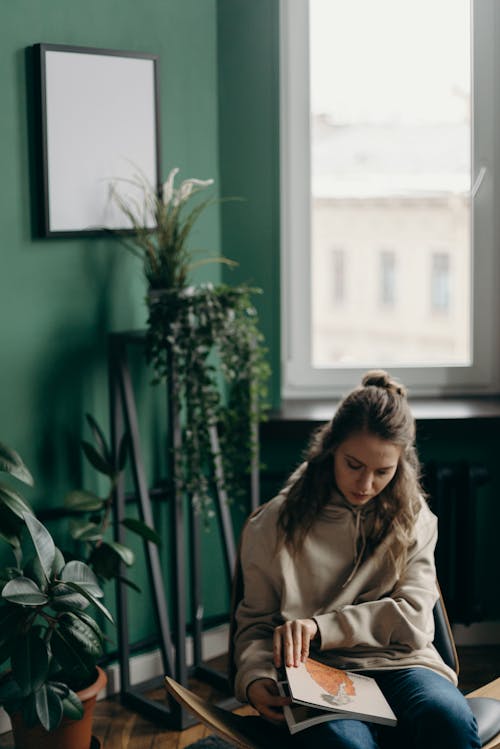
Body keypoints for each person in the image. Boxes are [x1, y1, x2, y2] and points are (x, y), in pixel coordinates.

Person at [233, 370, 480, 749]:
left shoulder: (415, 517)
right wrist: (254, 678)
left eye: (383, 471)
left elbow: (414, 618)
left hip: (401, 662)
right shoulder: (272, 524)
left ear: (402, 463)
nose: (366, 485)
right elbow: (255, 624)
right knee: (346, 745)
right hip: (314, 672)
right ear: (330, 448)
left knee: (449, 721)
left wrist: (320, 627)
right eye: (353, 465)